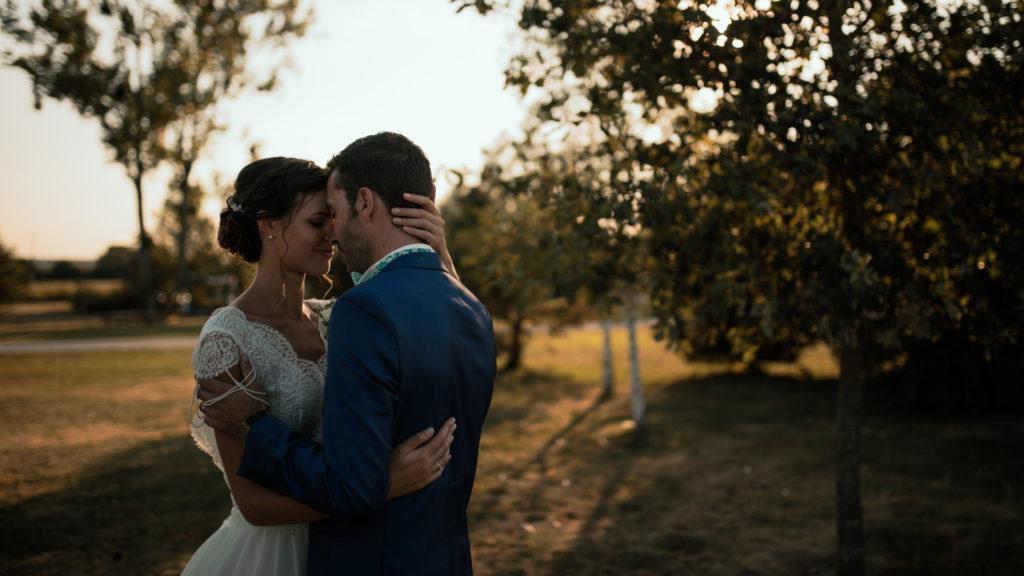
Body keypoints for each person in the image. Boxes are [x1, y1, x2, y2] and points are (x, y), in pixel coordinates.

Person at [199, 132, 497, 575]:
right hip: (272, 555)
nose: (332, 234)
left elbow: (423, 318)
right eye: (319, 221)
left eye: (332, 216)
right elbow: (254, 504)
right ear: (268, 225)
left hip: (354, 547)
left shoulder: (340, 315)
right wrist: (385, 484)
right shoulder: (227, 338)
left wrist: (441, 259)